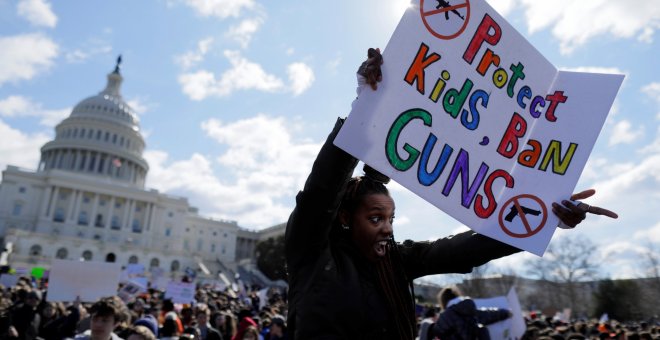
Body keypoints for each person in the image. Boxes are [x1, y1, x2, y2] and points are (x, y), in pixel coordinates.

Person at [284, 48, 618, 339]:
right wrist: (366, 104)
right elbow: (321, 191)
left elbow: (466, 249)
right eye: (375, 218)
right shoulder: (312, 253)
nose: (387, 228)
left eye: (390, 218)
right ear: (343, 217)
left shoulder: (398, 261)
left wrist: (545, 216)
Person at [431, 287, 511, 339]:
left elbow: (437, 334)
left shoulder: (442, 319)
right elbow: (489, 314)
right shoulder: (469, 310)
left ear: (443, 301)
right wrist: (507, 313)